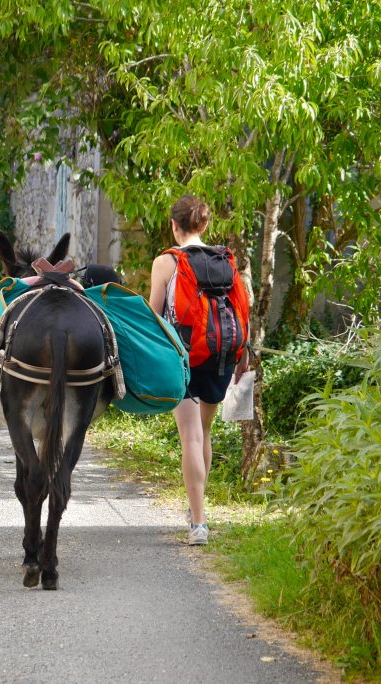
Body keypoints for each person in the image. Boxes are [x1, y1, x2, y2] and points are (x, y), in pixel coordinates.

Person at [147, 195, 249, 545]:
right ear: (204, 225)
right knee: (204, 432)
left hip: (185, 356)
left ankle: (199, 523)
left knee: (188, 435)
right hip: (222, 355)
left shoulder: (167, 262)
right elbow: (241, 309)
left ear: (174, 226)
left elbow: (154, 317)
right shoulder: (226, 260)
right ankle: (198, 512)